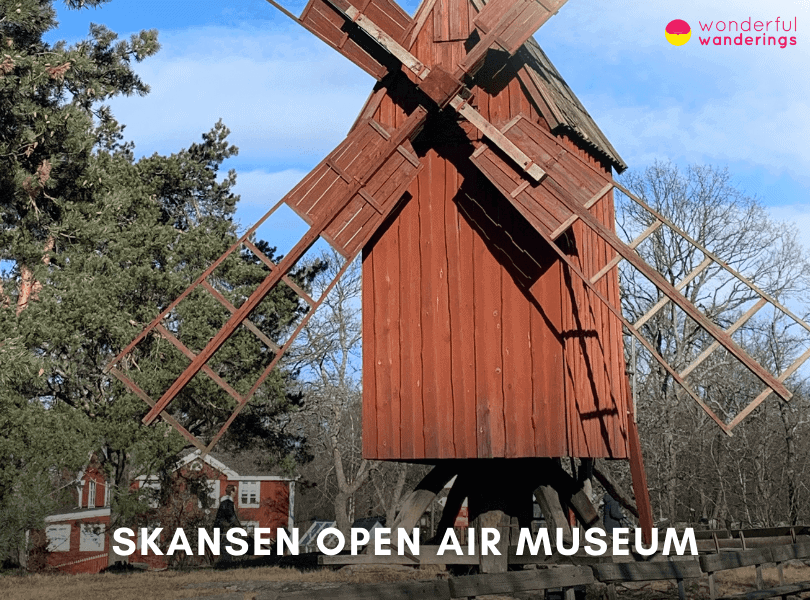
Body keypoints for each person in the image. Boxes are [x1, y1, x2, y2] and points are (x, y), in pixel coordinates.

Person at [213, 484, 240, 564]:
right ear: (232, 492)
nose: (236, 494)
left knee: (224, 546)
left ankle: (224, 563)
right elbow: (231, 517)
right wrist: (239, 527)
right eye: (235, 491)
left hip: (222, 528)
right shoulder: (227, 502)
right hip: (224, 528)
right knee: (226, 547)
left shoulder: (225, 502)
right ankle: (225, 564)